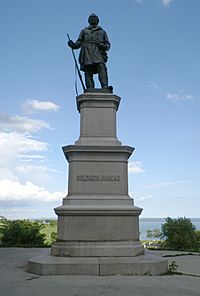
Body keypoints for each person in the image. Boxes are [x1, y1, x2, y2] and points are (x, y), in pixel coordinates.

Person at [68, 14, 111, 90]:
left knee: (101, 67)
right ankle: (90, 88)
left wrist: (102, 46)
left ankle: (105, 87)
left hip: (98, 51)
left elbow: (108, 45)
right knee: (88, 70)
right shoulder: (84, 31)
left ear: (97, 20)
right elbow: (79, 42)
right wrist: (73, 45)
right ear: (88, 20)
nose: (92, 19)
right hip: (87, 51)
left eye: (94, 17)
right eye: (91, 17)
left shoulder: (102, 32)